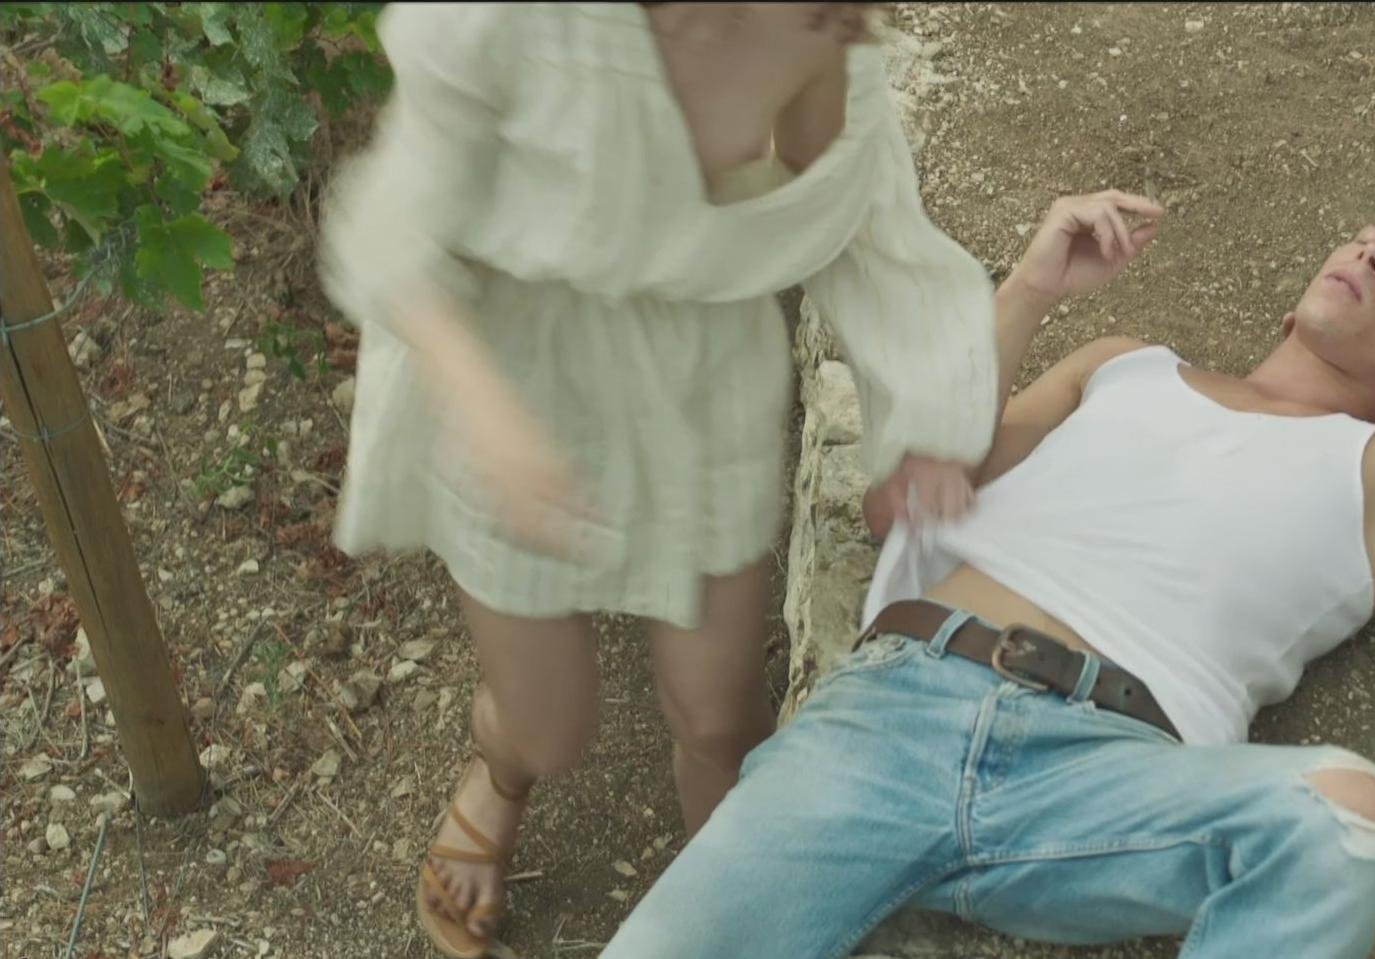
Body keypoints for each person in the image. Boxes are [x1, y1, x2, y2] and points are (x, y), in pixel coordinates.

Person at [599, 185, 1375, 958]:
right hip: (890, 717)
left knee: (1350, 816)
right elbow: (911, 487)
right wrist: (1032, 285)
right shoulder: (1126, 366)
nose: (1365, 254)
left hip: (1105, 778)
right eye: (1369, 236)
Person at [317, 5, 1001, 956]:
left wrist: (923, 412)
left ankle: (726, 920)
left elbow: (856, 213)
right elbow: (392, 226)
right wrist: (486, 411)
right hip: (515, 359)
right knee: (549, 725)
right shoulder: (500, 17)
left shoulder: (815, 18)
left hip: (698, 373)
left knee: (719, 716)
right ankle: (505, 765)